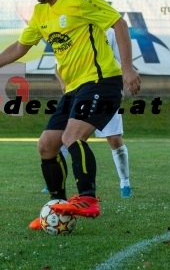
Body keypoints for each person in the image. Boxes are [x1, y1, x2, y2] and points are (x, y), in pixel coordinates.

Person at [0, 0, 141, 228]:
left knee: (72, 138)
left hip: (101, 80)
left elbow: (118, 23)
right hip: (74, 89)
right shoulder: (40, 13)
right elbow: (19, 48)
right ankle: (57, 207)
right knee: (47, 146)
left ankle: (88, 199)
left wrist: (128, 69)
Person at [42, 28, 132, 199]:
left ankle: (125, 183)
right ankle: (54, 182)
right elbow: (57, 66)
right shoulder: (73, 29)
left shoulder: (111, 32)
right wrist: (64, 84)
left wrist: (119, 87)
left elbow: (119, 63)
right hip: (77, 93)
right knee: (62, 138)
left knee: (114, 139)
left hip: (103, 91)